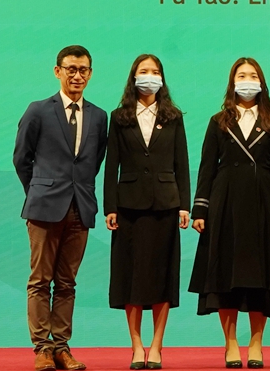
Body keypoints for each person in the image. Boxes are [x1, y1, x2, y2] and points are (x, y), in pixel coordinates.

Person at [189, 57, 270, 369]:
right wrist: (200, 209)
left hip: (263, 204)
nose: (247, 81)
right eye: (241, 76)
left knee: (262, 277)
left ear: (261, 83)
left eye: (252, 76)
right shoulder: (218, 121)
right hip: (225, 204)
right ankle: (231, 342)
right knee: (225, 276)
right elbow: (206, 168)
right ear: (232, 82)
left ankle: (256, 343)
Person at [13, 45, 108, 371]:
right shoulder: (38, 110)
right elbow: (22, 158)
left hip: (80, 208)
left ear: (90, 74)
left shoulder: (99, 116)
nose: (77, 75)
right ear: (58, 72)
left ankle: (62, 348)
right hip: (43, 207)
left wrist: (77, 192)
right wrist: (39, 191)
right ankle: (42, 348)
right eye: (71, 69)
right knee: (40, 281)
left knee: (67, 283)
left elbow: (93, 162)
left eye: (83, 70)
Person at [104, 54, 191, 370]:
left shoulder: (173, 117)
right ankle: (137, 345)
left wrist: (185, 205)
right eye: (144, 71)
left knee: (161, 277)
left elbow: (182, 162)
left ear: (162, 78)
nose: (149, 76)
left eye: (155, 71)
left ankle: (156, 345)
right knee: (131, 277)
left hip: (165, 205)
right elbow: (111, 164)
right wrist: (110, 207)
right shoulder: (119, 117)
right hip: (128, 206)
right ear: (133, 77)